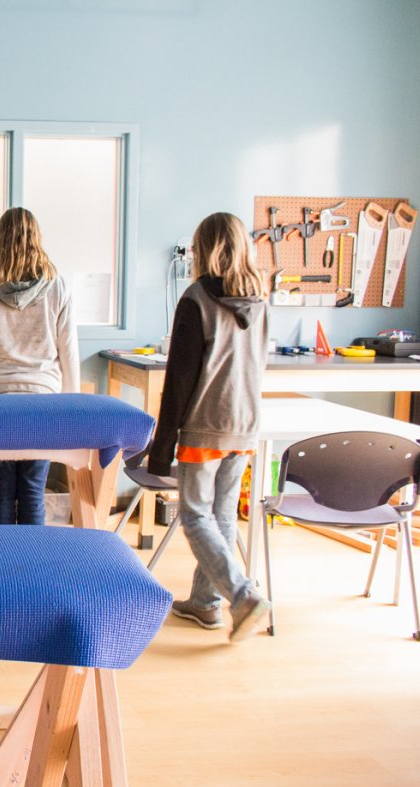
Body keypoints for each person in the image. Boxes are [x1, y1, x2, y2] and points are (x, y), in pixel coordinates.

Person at [148, 211, 271, 643]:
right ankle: (205, 603)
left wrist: (160, 449)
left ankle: (243, 597)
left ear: (204, 250)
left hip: (205, 425)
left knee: (196, 515)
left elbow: (178, 383)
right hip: (245, 425)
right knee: (221, 514)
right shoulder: (260, 300)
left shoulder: (196, 299)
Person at [0, 207, 79, 525]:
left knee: (0, 492)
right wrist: (73, 404)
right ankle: (31, 565)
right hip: (42, 400)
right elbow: (68, 352)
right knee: (31, 491)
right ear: (36, 240)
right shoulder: (58, 287)